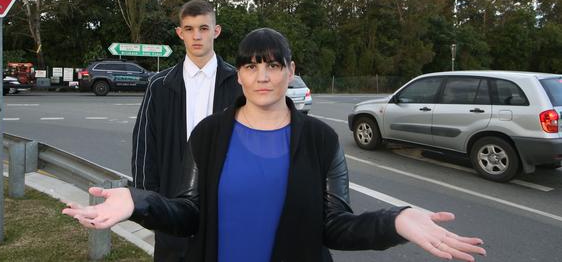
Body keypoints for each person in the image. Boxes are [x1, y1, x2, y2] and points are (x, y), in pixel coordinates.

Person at [64, 28, 486, 262]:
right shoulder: (210, 134)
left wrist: (395, 220)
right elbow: (189, 213)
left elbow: (334, 224)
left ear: (290, 71)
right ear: (240, 76)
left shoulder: (320, 139)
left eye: (273, 64)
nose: (262, 75)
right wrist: (139, 202)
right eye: (251, 65)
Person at [130, 0, 242, 261]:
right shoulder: (159, 85)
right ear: (180, 33)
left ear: (216, 31)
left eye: (204, 28)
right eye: (189, 29)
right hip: (172, 205)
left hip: (226, 207)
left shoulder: (238, 84)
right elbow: (145, 148)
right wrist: (150, 204)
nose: (197, 36)